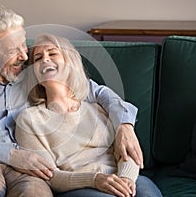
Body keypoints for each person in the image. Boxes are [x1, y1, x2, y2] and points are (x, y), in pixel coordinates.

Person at [0, 6, 143, 197]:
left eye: (23, 45)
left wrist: (124, 125)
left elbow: (98, 92)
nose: (23, 56)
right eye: (12, 51)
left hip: (32, 170)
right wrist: (10, 155)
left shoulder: (37, 78)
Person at [15, 33, 162, 197]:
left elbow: (128, 151)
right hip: (79, 187)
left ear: (70, 63)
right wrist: (95, 180)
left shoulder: (98, 107)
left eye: (53, 53)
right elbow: (50, 176)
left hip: (122, 177)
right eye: (38, 58)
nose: (45, 59)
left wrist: (126, 179)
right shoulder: (29, 120)